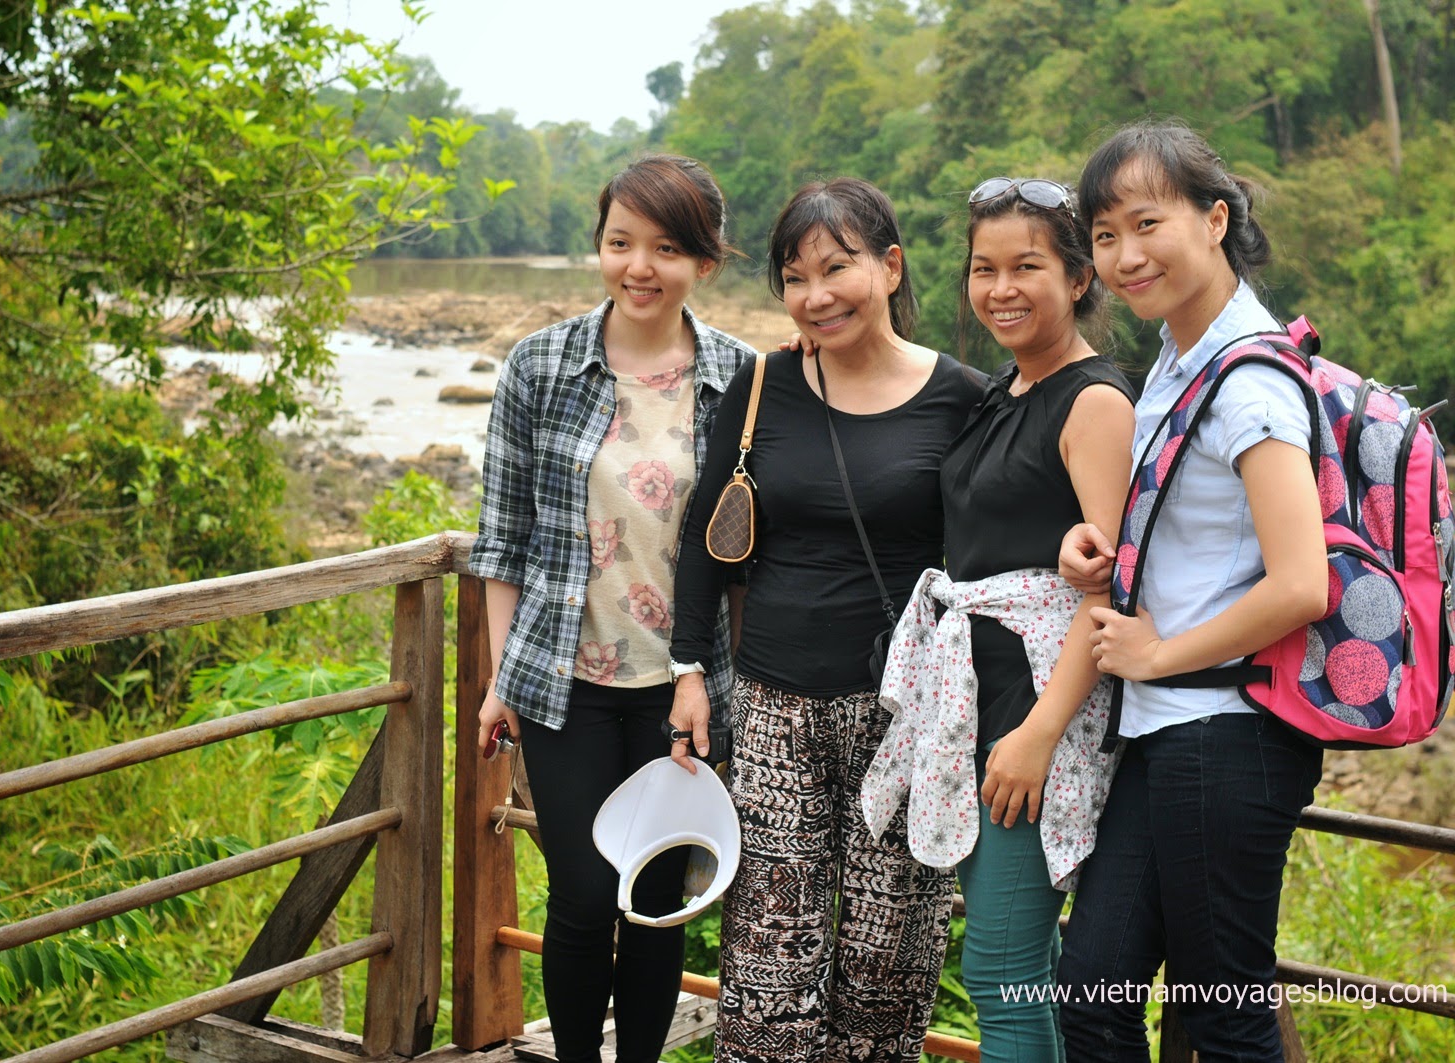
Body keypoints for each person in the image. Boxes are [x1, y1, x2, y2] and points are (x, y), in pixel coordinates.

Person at [667, 177, 983, 1063]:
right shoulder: (763, 385)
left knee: (888, 961)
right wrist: (690, 669)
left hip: (903, 719)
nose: (816, 296)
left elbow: (1001, 547)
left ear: (889, 266)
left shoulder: (960, 398)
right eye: (795, 278)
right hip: (773, 705)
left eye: (836, 269)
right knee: (768, 959)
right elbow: (701, 536)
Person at [469, 153, 754, 1063]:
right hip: (565, 682)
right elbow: (500, 537)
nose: (639, 266)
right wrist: (496, 678)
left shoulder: (744, 380)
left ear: (705, 262)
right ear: (598, 246)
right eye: (620, 242)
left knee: (659, 897)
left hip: (686, 687)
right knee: (586, 894)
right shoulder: (541, 365)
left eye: (666, 248)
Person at [1054, 121, 1329, 1059]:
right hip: (1165, 725)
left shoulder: (1249, 380)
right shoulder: (1182, 356)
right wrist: (1101, 549)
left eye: (1145, 224)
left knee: (1222, 1011)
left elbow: (1302, 581)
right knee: (1093, 988)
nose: (1125, 257)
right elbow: (1197, 529)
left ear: (1215, 219)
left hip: (1229, 727)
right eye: (1103, 234)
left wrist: (1158, 651)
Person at [861, 176, 1134, 1062]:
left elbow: (1110, 591)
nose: (1002, 288)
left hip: (1035, 718)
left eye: (1028, 267)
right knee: (1021, 968)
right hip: (977, 702)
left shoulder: (1093, 402)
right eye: (984, 269)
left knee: (1003, 969)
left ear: (1080, 277)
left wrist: (1040, 734)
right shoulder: (1003, 391)